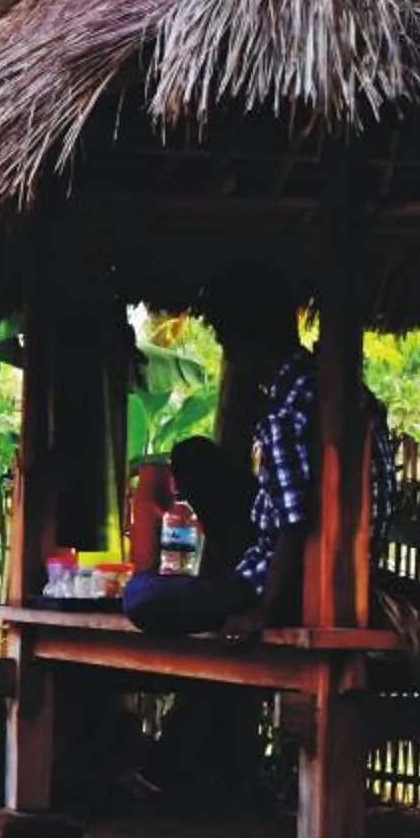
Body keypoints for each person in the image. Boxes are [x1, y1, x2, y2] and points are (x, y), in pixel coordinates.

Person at [123, 263, 396, 639]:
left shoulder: (288, 411)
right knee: (195, 456)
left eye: (225, 342)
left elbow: (293, 526)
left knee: (140, 596)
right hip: (347, 567)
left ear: (243, 342)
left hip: (289, 583)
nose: (228, 355)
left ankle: (227, 592)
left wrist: (264, 611)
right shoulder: (341, 391)